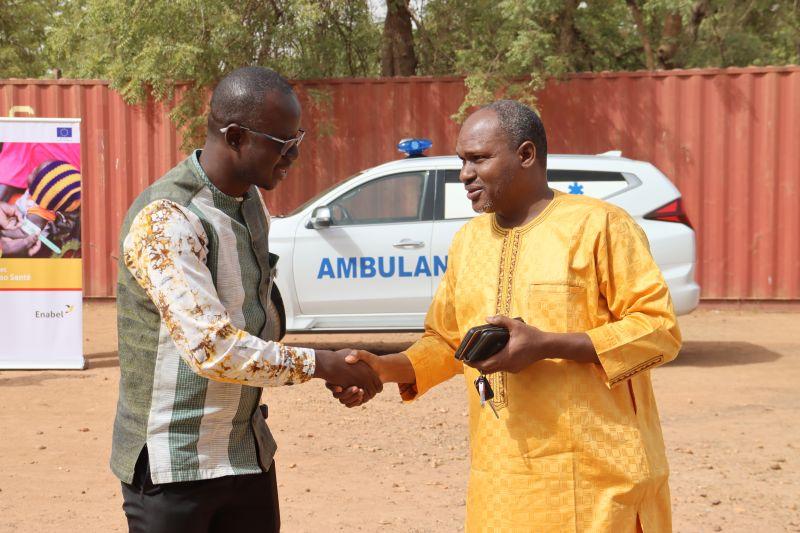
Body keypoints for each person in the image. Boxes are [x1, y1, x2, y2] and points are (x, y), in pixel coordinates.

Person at [333, 100, 681, 532]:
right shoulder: (469, 241)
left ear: (526, 155)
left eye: (479, 158)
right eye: (462, 161)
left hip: (596, 481)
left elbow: (658, 329)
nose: (464, 174)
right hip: (502, 484)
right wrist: (384, 368)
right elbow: (446, 340)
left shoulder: (600, 226)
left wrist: (547, 345)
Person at [112, 66, 381, 533]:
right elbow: (212, 349)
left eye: (297, 138)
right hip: (174, 469)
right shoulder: (167, 218)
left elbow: (256, 315)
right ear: (235, 136)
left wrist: (330, 367)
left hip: (245, 454)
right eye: (283, 142)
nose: (294, 154)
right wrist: (324, 364)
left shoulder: (249, 202)